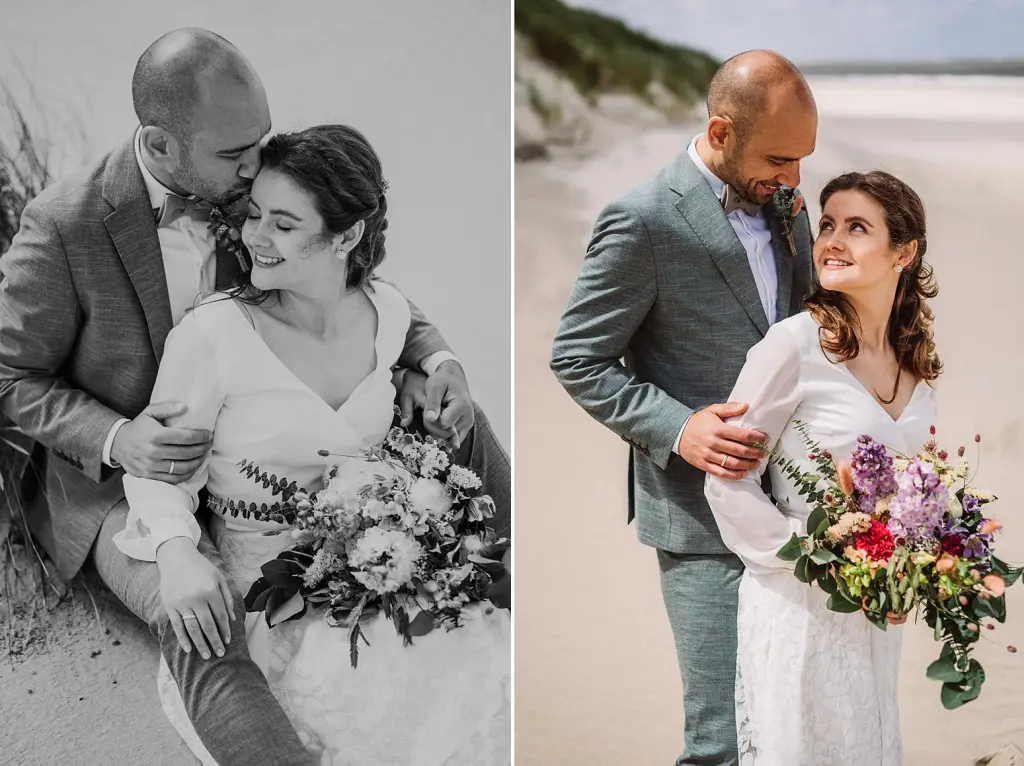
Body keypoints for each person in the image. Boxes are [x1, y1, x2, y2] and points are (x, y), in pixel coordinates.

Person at [0, 27, 509, 766]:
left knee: (462, 421)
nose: (255, 167)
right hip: (121, 479)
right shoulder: (62, 228)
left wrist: (434, 359)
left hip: (263, 440)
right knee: (198, 616)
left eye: (260, 140)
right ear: (162, 145)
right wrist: (120, 438)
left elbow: (354, 278)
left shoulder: (246, 186)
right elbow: (11, 377)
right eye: (235, 155)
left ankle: (519, 584)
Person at [113, 123, 510, 766]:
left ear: (346, 236)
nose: (254, 237)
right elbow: (160, 466)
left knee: (472, 678)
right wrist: (176, 551)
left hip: (385, 558)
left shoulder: (389, 316)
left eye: (284, 224)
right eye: (254, 215)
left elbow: (413, 355)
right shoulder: (214, 335)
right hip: (268, 584)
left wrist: (422, 374)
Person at [550, 50, 816, 765]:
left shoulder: (788, 210)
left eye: (802, 161)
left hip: (798, 513)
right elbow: (577, 357)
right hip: (699, 522)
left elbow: (806, 338)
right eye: (781, 158)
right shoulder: (641, 223)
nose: (793, 179)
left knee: (786, 724)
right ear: (722, 133)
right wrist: (680, 426)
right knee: (721, 742)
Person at [705, 170, 938, 765]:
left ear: (903, 252)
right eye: (827, 225)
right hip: (799, 605)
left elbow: (921, 489)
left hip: (875, 609)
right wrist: (810, 561)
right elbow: (728, 480)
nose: (832, 239)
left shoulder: (914, 363)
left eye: (857, 228)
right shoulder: (793, 345)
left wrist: (919, 566)